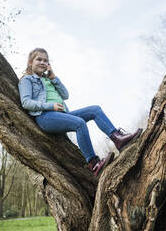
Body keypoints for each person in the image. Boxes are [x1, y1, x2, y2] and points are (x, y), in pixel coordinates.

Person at [18, 48, 142, 177]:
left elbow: (65, 95)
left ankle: (118, 139)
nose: (43, 62)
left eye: (46, 60)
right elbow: (26, 102)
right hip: (45, 117)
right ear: (30, 62)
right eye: (39, 59)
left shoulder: (49, 79)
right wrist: (51, 106)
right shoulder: (27, 80)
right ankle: (93, 163)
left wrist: (54, 78)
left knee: (95, 109)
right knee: (80, 123)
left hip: (63, 115)